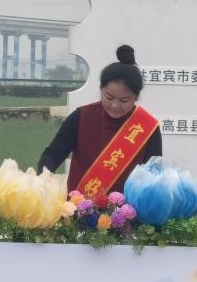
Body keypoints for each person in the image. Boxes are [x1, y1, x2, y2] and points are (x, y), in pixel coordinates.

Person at [37, 44, 162, 195]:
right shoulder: (81, 117)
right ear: (101, 89)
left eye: (124, 100)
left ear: (136, 97)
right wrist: (44, 181)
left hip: (129, 208)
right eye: (109, 97)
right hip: (80, 206)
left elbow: (153, 176)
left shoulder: (147, 128)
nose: (115, 105)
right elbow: (52, 155)